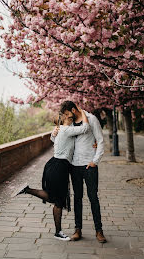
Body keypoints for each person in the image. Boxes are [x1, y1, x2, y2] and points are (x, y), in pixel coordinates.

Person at [13, 108, 90, 241]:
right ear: (65, 117)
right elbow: (85, 128)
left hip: (54, 165)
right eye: (69, 113)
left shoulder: (62, 129)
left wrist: (53, 134)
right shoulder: (66, 130)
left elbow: (54, 139)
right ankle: (58, 232)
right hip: (59, 167)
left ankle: (27, 190)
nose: (72, 113)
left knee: (54, 197)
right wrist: (83, 111)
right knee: (58, 201)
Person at [52, 101, 107, 243]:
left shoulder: (91, 119)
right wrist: (54, 134)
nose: (65, 116)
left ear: (73, 110)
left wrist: (95, 161)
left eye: (67, 114)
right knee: (77, 198)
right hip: (74, 166)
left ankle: (99, 231)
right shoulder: (69, 124)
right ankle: (78, 229)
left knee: (93, 197)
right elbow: (60, 140)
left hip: (89, 165)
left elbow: (100, 141)